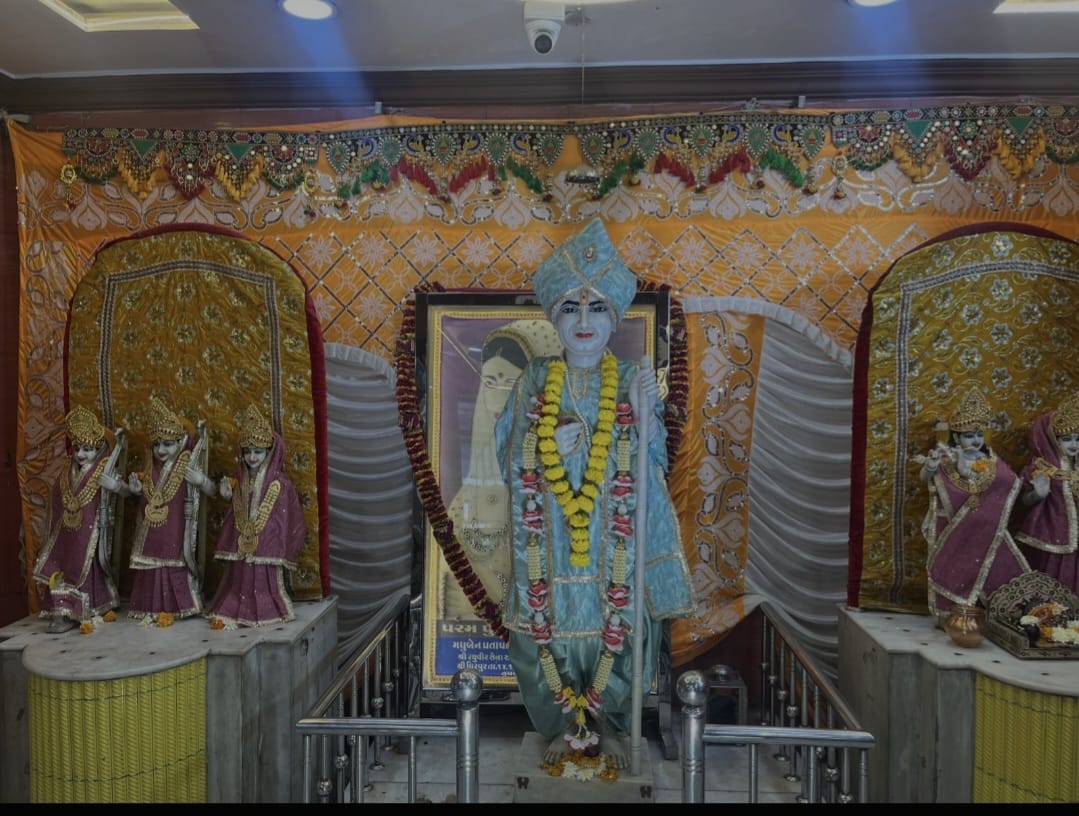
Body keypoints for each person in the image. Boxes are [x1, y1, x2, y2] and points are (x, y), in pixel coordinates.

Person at [494, 218, 695, 769]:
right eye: (571, 309)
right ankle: (562, 726)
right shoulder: (534, 379)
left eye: (597, 309)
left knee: (617, 628)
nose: (584, 323)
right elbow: (506, 455)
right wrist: (543, 446)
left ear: (616, 317)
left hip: (613, 543)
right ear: (553, 317)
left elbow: (654, 467)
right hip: (550, 542)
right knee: (546, 628)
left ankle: (608, 728)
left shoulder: (630, 377)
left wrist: (646, 418)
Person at [443, 319, 562, 620]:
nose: (497, 398)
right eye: (490, 383)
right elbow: (450, 600)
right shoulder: (468, 497)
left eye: (511, 383)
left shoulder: (570, 487)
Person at [919, 385, 1030, 619]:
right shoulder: (946, 459)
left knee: (987, 564)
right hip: (950, 521)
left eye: (979, 434)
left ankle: (984, 613)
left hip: (985, 523)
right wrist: (930, 466)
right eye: (969, 435)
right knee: (953, 564)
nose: (976, 440)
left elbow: (1009, 481)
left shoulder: (991, 460)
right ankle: (948, 615)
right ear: (957, 437)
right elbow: (927, 478)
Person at [207, 403, 306, 628]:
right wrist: (227, 494)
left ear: (269, 452)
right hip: (242, 540)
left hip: (266, 544)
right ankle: (235, 610)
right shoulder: (238, 479)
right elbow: (235, 507)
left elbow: (284, 517)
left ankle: (266, 610)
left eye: (258, 451)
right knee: (238, 578)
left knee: (263, 578)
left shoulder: (280, 483)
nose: (252, 457)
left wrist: (270, 540)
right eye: (247, 451)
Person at [31, 405, 125, 633]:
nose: (80, 454)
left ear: (99, 450)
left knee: (83, 563)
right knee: (60, 564)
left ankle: (82, 608)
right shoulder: (68, 470)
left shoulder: (104, 468)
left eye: (87, 449)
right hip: (65, 532)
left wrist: (115, 486)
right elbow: (57, 496)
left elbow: (125, 492)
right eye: (77, 448)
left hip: (90, 532)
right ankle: (61, 609)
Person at [126, 396, 214, 623]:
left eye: (167, 444)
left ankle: (180, 606)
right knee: (150, 565)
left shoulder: (187, 463)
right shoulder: (150, 465)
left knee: (174, 565)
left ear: (180, 442)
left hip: (176, 530)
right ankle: (149, 607)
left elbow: (212, 491)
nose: (160, 450)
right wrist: (136, 490)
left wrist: (201, 481)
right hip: (150, 530)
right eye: (157, 444)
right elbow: (145, 498)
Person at [1013, 391, 1079, 594]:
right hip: (1051, 534)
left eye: (1078, 439)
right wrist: (1038, 494)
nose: (1073, 445)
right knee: (1050, 587)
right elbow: (1023, 500)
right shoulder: (1042, 467)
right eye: (1066, 439)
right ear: (1052, 439)